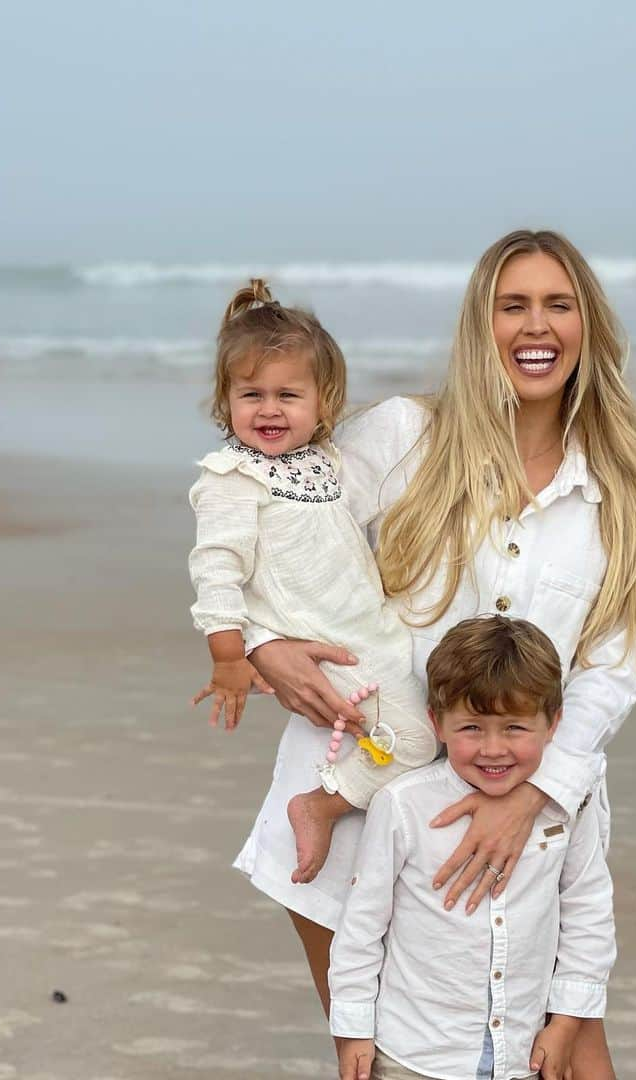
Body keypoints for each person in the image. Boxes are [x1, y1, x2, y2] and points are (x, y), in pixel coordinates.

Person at [244, 229, 636, 1076]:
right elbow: (278, 519)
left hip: (520, 804)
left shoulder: (618, 490)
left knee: (569, 1050)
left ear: (588, 325)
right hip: (352, 797)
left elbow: (609, 673)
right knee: (386, 1058)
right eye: (513, 305)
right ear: (480, 324)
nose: (538, 326)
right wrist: (265, 646)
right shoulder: (411, 436)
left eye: (559, 305)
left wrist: (535, 796)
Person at [188, 279, 438, 882]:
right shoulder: (232, 479)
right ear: (226, 402)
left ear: (323, 404)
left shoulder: (327, 465)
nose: (269, 409)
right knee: (419, 743)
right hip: (321, 641)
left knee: (430, 726)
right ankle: (321, 805)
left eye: (288, 395)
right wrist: (229, 657)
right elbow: (216, 567)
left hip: (370, 629)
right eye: (251, 394)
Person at [330, 615, 615, 1080]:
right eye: (471, 729)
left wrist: (564, 1024)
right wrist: (353, 1029)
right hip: (415, 1054)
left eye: (515, 729)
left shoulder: (568, 808)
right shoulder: (403, 806)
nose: (493, 748)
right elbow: (362, 927)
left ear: (554, 724)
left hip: (520, 1054)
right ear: (436, 724)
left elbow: (588, 915)